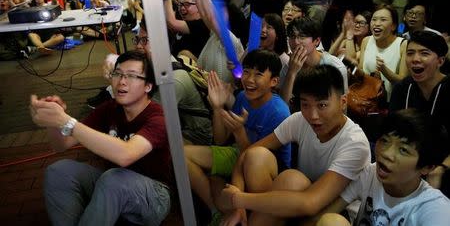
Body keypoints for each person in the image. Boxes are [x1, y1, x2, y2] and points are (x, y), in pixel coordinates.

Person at [31, 50, 173, 226]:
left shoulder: (158, 118)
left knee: (114, 178)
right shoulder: (109, 109)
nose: (122, 81)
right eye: (118, 73)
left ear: (148, 86)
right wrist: (52, 120)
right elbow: (62, 144)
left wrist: (66, 121)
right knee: (58, 171)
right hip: (112, 184)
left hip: (154, 196)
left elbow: (126, 155)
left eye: (132, 76)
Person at [220, 64, 370, 226]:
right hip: (295, 202)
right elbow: (247, 153)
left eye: (322, 105)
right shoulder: (300, 120)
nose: (313, 115)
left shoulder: (355, 143)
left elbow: (310, 203)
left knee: (293, 181)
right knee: (257, 156)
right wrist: (238, 204)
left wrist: (238, 199)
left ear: (342, 102)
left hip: (332, 214)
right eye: (305, 104)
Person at [184, 49, 291, 224]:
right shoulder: (242, 97)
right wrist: (217, 108)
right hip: (238, 154)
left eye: (258, 74)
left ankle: (246, 212)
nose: (249, 79)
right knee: (182, 155)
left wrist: (240, 133)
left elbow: (254, 158)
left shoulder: (279, 112)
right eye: (247, 71)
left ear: (274, 81)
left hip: (266, 169)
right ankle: (215, 211)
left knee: (248, 163)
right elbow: (220, 139)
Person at [308, 109, 450, 226]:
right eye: (385, 141)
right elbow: (324, 214)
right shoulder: (370, 173)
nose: (386, 153)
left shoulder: (436, 209)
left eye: (403, 150)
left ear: (427, 167)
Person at [389, 30, 450, 191]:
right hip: (407, 165)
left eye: (424, 53)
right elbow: (392, 131)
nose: (415, 59)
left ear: (440, 60)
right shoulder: (402, 89)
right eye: (410, 53)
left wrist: (441, 169)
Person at [280, 17, 348, 105]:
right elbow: (284, 105)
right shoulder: (289, 65)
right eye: (292, 36)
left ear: (317, 41)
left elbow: (342, 105)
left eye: (302, 36)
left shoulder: (335, 67)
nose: (296, 42)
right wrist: (292, 72)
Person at [359, 4, 408, 101]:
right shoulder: (366, 41)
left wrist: (385, 71)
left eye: (383, 20)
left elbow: (403, 83)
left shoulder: (403, 45)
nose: (377, 23)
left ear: (393, 26)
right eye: (374, 19)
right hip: (366, 100)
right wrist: (352, 69)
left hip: (390, 103)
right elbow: (362, 72)